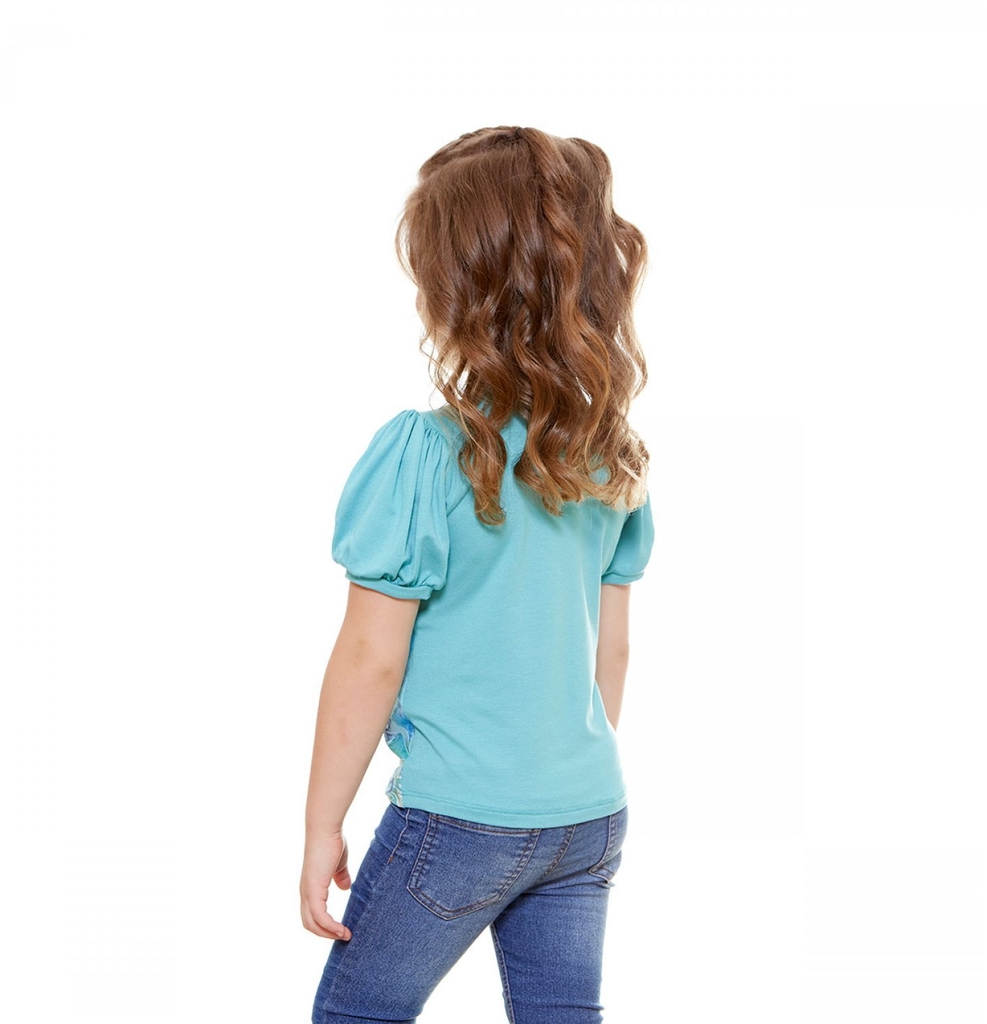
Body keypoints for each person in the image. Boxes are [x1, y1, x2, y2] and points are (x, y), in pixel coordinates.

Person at [299, 125, 656, 1024]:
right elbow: (610, 652)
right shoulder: (608, 457)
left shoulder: (425, 455)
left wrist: (321, 827)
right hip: (587, 813)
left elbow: (370, 661)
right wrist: (552, 779)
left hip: (457, 823)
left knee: (355, 1017)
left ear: (453, 288)